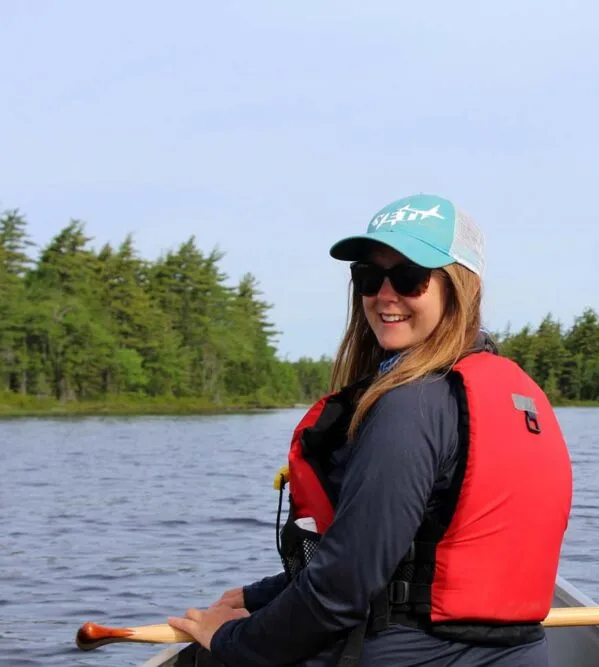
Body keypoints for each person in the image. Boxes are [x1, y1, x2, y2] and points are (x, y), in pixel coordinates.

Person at [168, 193, 574, 666]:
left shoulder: (411, 406)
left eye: (409, 277)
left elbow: (343, 588)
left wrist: (231, 640)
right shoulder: (522, 396)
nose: (384, 294)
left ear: (459, 287)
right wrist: (259, 597)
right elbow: (408, 557)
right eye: (367, 276)